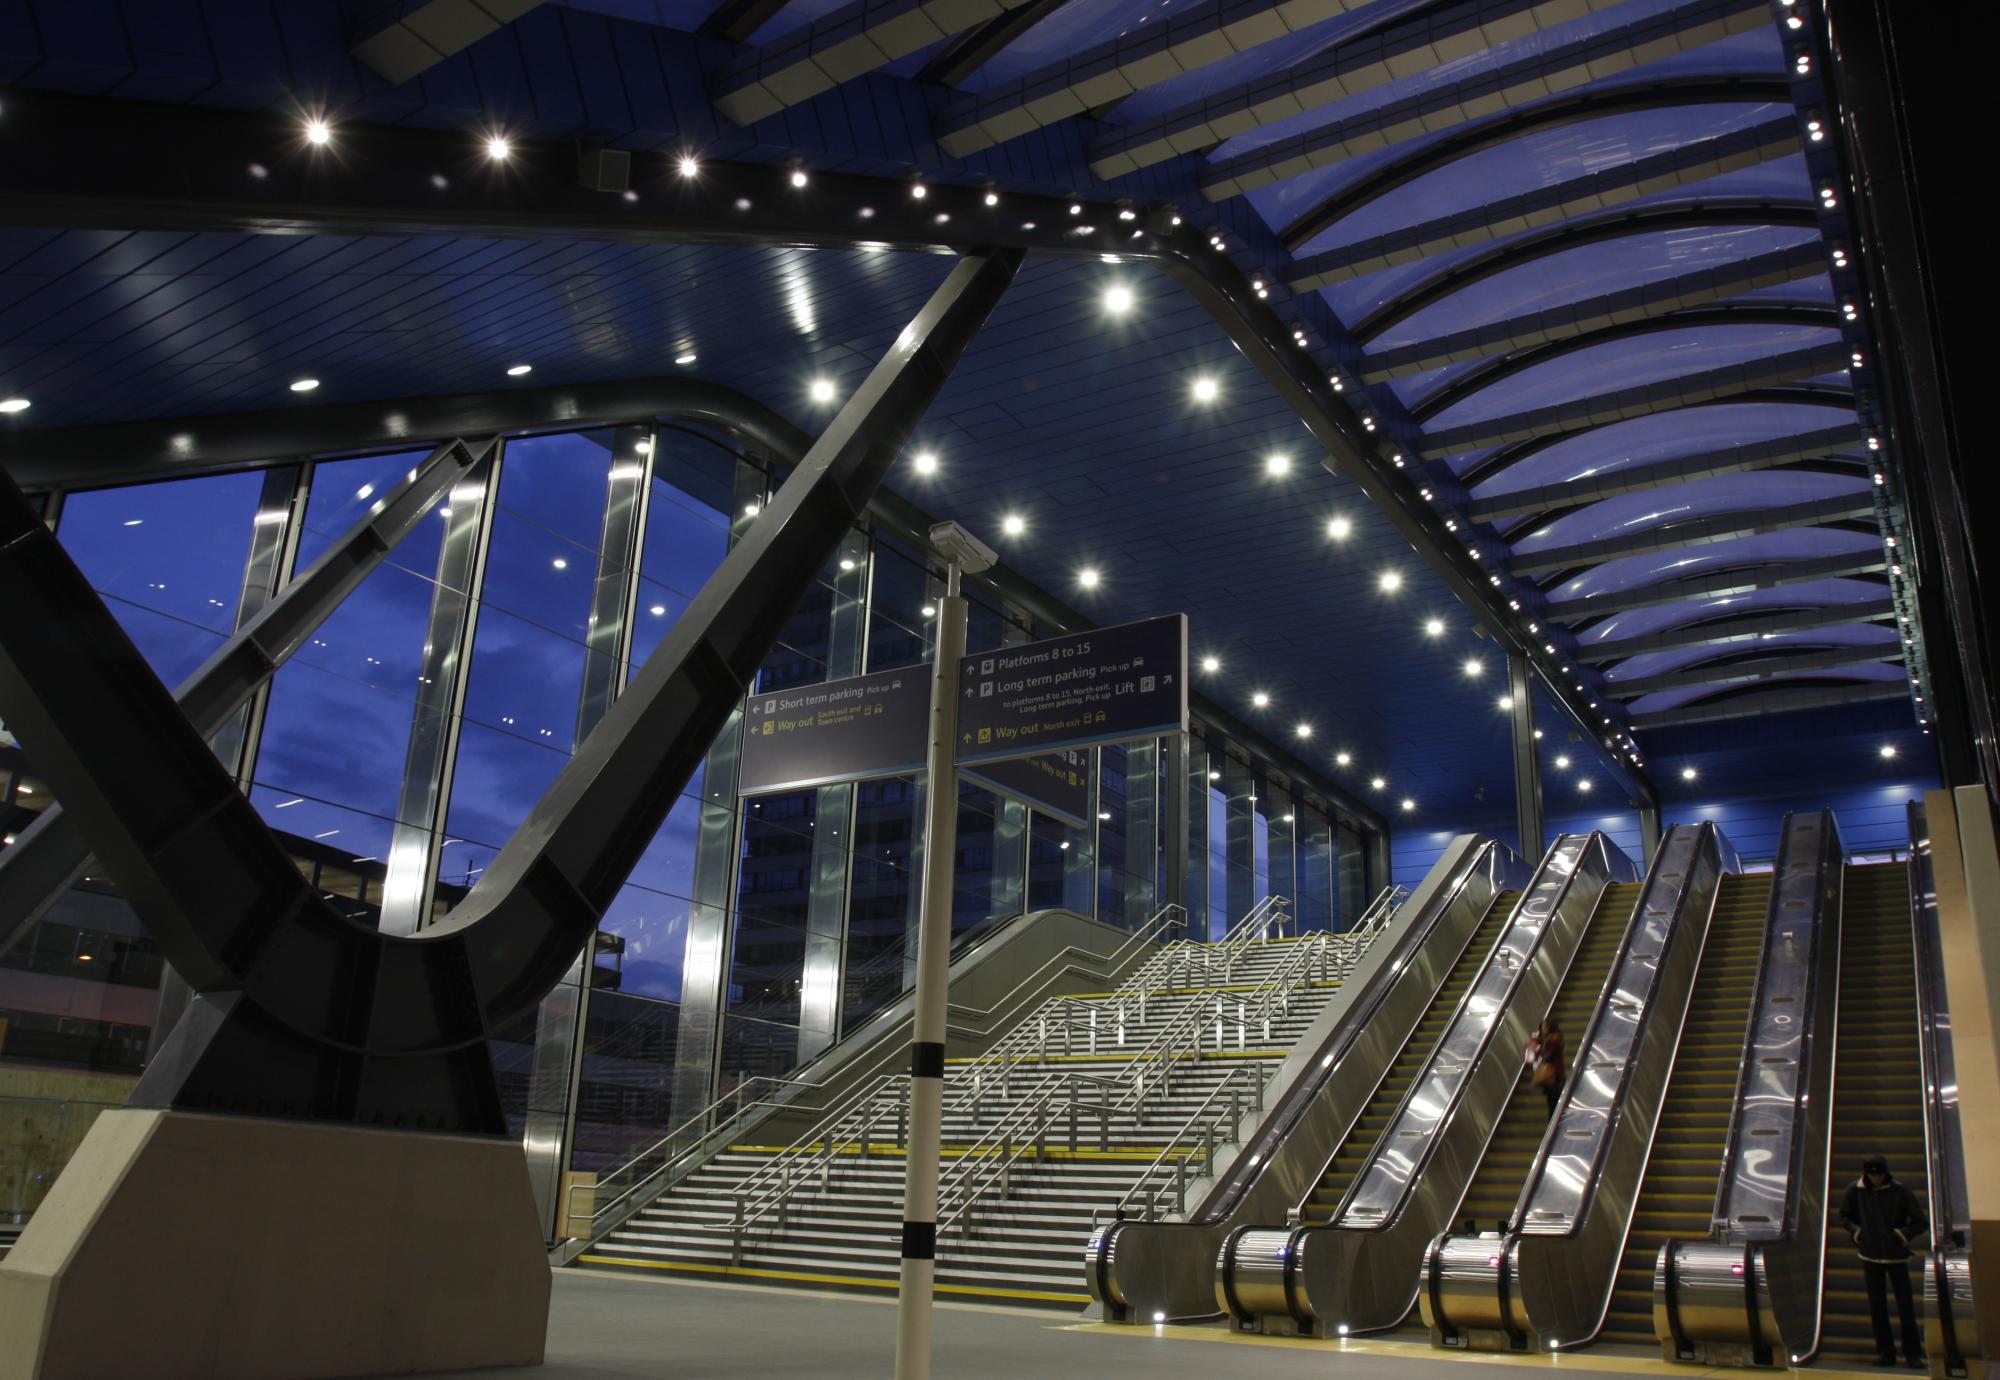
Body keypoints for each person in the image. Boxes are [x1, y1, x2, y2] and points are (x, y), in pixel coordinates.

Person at [1838, 1154, 1928, 1367]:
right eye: (1872, 1175)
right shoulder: (1855, 1190)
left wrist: (1900, 1235)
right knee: (1877, 1306)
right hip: (1869, 1255)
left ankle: (1913, 1354)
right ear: (1866, 1174)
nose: (1876, 1179)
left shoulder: (1901, 1191)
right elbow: (1844, 1216)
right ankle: (1885, 1353)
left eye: (1879, 1175)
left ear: (1886, 1173)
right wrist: (1857, 1233)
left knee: (1905, 1305)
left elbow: (1920, 1221)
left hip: (1896, 1256)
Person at [1523, 1016, 1565, 1116]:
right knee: (1552, 1102)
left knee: (1554, 1103)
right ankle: (1554, 1124)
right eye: (1542, 1027)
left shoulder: (1554, 1039)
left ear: (1551, 1027)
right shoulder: (1548, 1040)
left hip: (1554, 1076)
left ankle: (1554, 1124)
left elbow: (1548, 1056)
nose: (1543, 1029)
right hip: (1553, 1076)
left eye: (1545, 1026)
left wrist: (1538, 1049)